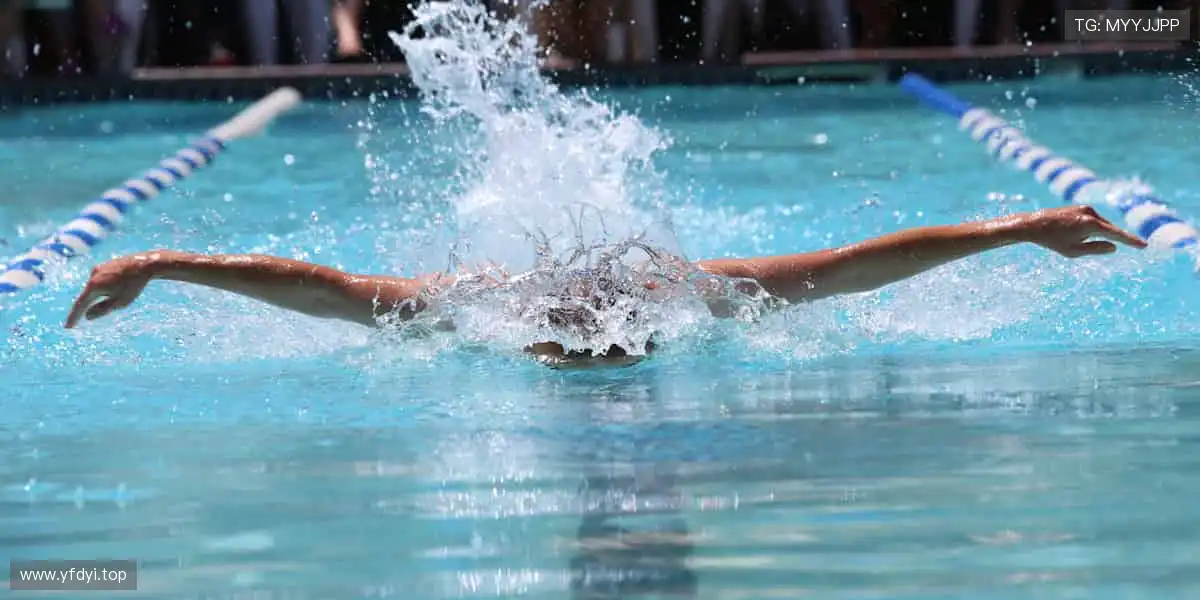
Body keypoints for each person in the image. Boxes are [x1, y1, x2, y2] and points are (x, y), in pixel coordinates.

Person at [65, 205, 1146, 368]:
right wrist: (157, 261)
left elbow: (861, 266)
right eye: (577, 327)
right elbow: (324, 287)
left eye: (607, 325)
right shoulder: (475, 309)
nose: (598, 340)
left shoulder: (695, 297)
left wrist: (1020, 230)